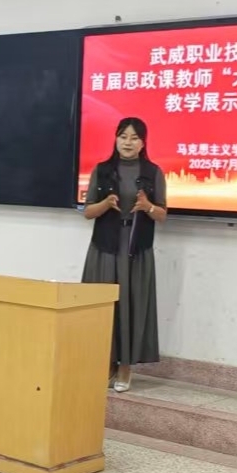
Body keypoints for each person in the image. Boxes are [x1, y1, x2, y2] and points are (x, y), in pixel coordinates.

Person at [81, 116, 168, 392]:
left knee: (131, 305)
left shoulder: (153, 172)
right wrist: (106, 203)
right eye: (123, 136)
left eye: (134, 138)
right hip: (105, 247)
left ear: (143, 143)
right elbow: (88, 212)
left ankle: (125, 368)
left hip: (135, 249)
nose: (127, 142)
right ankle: (105, 364)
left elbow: (162, 214)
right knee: (103, 305)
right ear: (116, 139)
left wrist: (147, 206)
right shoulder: (102, 170)